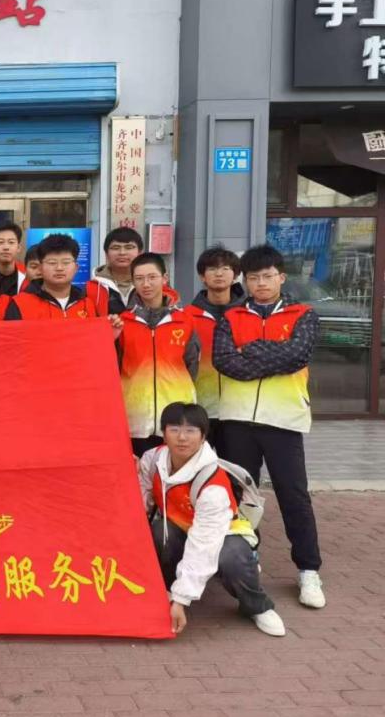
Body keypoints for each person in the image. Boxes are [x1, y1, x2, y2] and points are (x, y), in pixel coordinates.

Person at [212, 244, 326, 609]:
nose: (261, 283)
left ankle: (308, 569)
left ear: (281, 277)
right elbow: (225, 361)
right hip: (238, 419)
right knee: (242, 495)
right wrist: (271, 353)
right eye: (253, 278)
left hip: (284, 419)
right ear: (245, 281)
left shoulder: (303, 314)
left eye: (267, 276)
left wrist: (250, 351)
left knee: (294, 495)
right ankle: (249, 556)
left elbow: (298, 354)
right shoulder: (231, 317)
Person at [137, 403, 285, 637]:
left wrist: (182, 599)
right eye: (174, 429)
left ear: (203, 435)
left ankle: (256, 605)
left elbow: (203, 543)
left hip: (222, 533)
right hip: (178, 527)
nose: (182, 438)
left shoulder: (212, 484)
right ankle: (165, 589)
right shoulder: (152, 459)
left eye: (191, 430)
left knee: (231, 557)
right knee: (157, 533)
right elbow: (140, 502)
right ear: (163, 433)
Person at [118, 253, 199, 457]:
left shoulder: (184, 320)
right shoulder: (123, 322)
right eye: (139, 278)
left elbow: (191, 364)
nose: (146, 284)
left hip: (175, 414)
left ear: (164, 278)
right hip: (135, 415)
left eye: (152, 277)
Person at [184, 246, 245, 450]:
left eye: (226, 268)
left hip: (239, 409)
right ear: (202, 276)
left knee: (235, 466)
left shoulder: (248, 314)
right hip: (200, 408)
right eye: (212, 269)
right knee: (199, 465)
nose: (219, 274)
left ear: (235, 275)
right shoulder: (186, 316)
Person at [5, 235, 103, 321]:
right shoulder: (20, 304)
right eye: (52, 263)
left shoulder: (87, 305)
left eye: (66, 262)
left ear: (76, 268)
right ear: (41, 268)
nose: (59, 268)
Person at [87, 227, 180, 315]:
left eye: (129, 247)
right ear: (106, 254)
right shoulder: (93, 287)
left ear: (140, 252)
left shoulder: (157, 284)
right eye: (115, 248)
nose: (122, 253)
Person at [0, 222, 26, 296]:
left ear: (18, 248)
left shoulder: (26, 275)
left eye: (11, 242)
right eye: (1, 242)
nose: (6, 247)